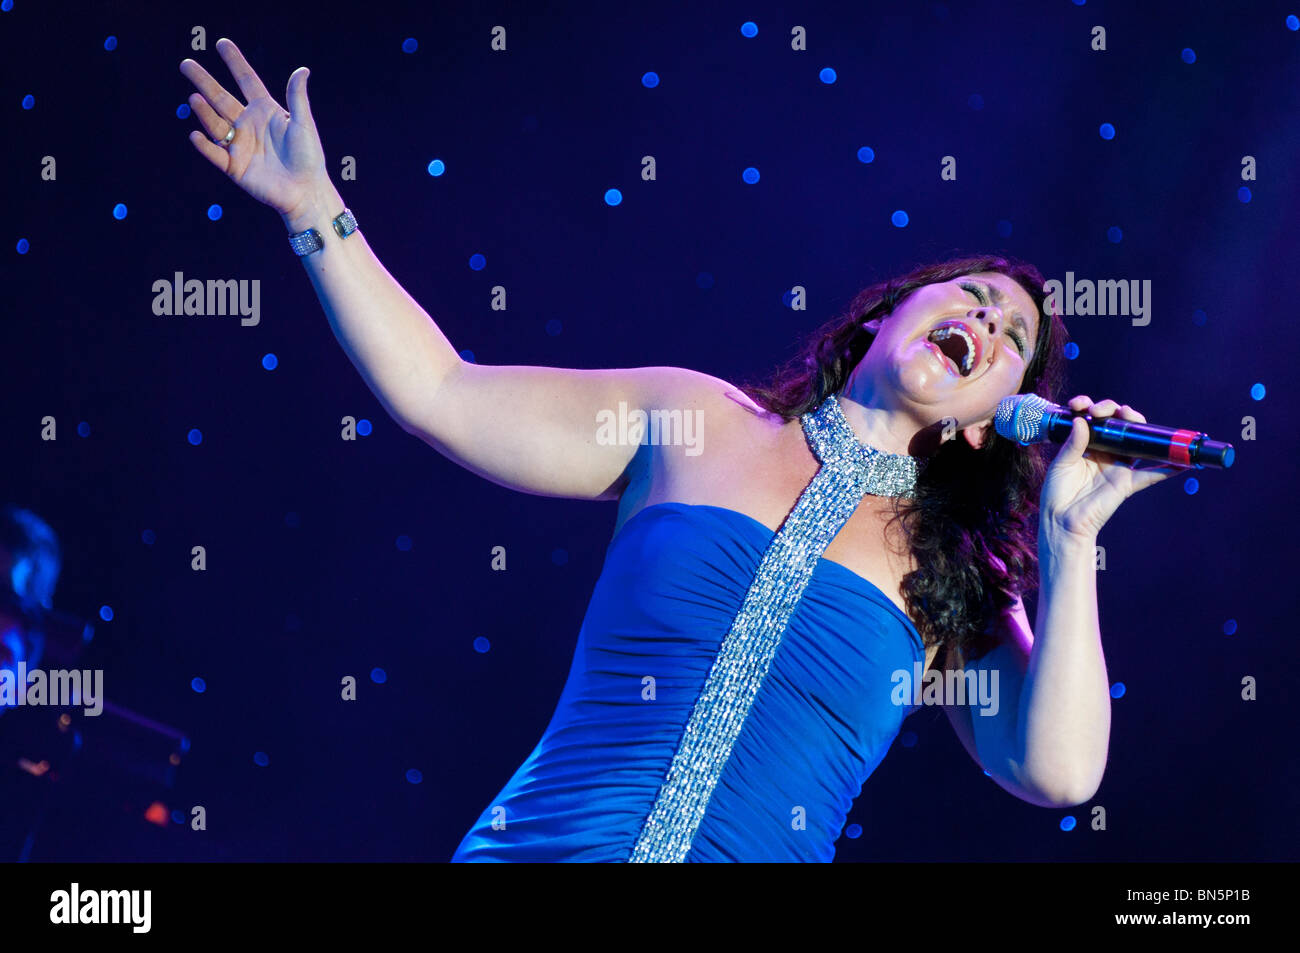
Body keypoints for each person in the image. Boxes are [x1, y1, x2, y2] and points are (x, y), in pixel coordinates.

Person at [180, 39, 1185, 862]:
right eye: (972, 293)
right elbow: (441, 393)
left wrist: (1066, 535)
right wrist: (317, 213)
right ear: (886, 313)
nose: (989, 320)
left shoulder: (955, 576)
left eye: (1014, 340)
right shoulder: (690, 420)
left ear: (988, 416)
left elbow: (1057, 771)